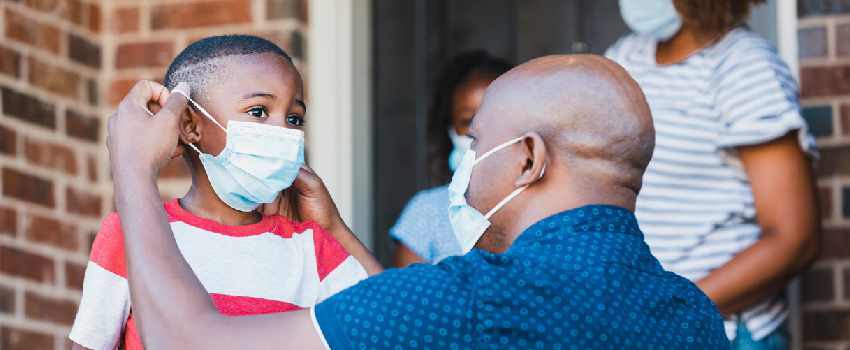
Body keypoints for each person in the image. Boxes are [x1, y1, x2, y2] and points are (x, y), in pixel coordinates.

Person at [104, 54, 730, 349]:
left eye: (476, 142)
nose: (466, 166)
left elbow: (188, 340)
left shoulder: (473, 297)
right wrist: (343, 237)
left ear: (528, 159)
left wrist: (134, 167)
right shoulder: (694, 316)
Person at [69, 35, 381, 350]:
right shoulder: (130, 233)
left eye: (294, 118)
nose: (284, 131)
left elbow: (389, 324)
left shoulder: (312, 247)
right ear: (190, 125)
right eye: (258, 111)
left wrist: (334, 228)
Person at [607, 0, 820, 348]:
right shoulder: (626, 57)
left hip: (722, 332)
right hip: (640, 328)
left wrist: (669, 313)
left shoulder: (744, 67)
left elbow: (794, 241)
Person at [392, 51, 512, 266]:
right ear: (449, 129)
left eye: (494, 116)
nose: (479, 131)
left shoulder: (542, 207)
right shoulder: (426, 212)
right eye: (468, 121)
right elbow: (405, 295)